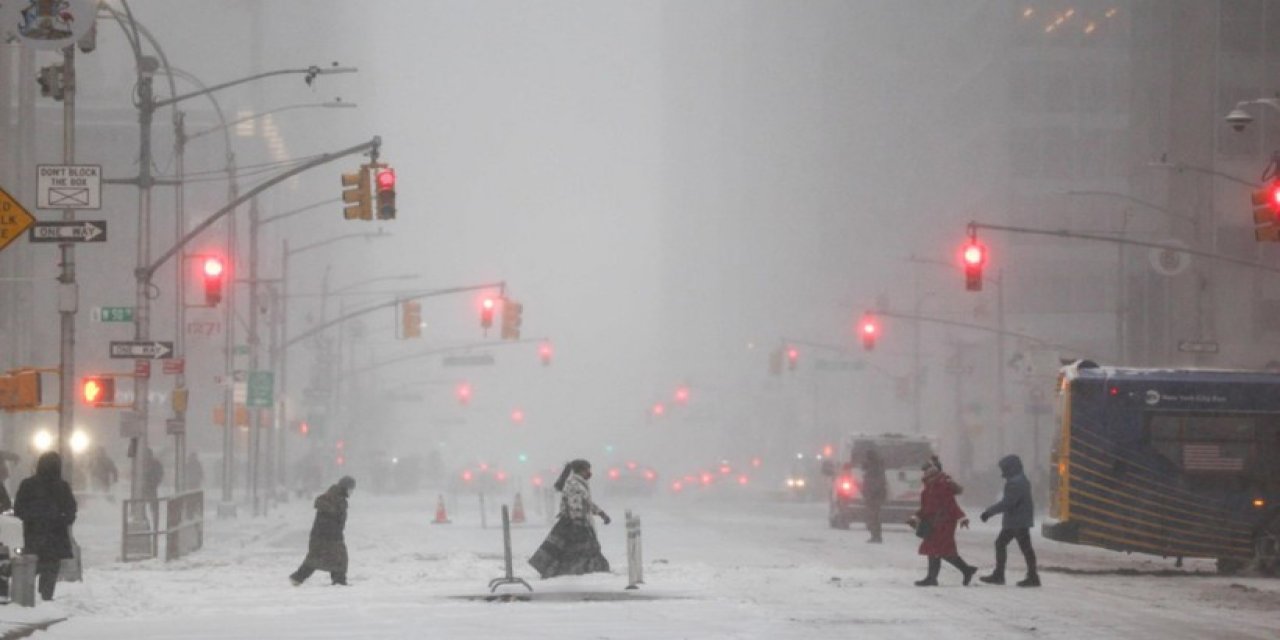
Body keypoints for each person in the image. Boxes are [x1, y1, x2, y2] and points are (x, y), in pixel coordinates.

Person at [528, 459, 611, 578]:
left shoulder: (579, 483)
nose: (589, 472)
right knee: (580, 550)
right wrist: (578, 522)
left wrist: (601, 513)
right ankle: (584, 571)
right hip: (574, 523)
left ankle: (577, 570)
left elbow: (587, 503)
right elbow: (575, 504)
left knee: (566, 550)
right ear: (581, 470)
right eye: (587, 470)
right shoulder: (574, 485)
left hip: (575, 522)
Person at [13, 452, 77, 601]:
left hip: (32, 535)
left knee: (29, 566)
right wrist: (63, 520)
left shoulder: (28, 484)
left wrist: (32, 518)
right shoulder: (62, 487)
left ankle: (26, 597)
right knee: (51, 568)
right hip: (56, 536)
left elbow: (19, 509)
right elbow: (71, 509)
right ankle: (46, 597)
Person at [908, 456, 977, 587]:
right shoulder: (928, 489)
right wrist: (915, 518)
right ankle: (964, 570)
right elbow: (926, 508)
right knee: (937, 550)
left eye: (925, 471)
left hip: (944, 523)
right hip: (933, 523)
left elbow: (952, 504)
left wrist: (962, 517)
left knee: (940, 550)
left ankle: (934, 578)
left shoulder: (941, 486)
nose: (923, 474)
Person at [979, 454, 1040, 587]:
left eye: (1004, 468)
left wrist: (988, 513)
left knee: (1007, 545)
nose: (1002, 471)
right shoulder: (1021, 480)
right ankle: (1031, 576)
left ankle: (1002, 575)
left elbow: (1007, 503)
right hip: (1019, 520)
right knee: (1023, 548)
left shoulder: (1015, 483)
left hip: (1016, 521)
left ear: (1010, 468)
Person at [290, 476, 355, 586]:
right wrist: (332, 531)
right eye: (350, 489)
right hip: (325, 536)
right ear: (345, 488)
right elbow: (327, 517)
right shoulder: (334, 498)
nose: (352, 492)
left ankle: (338, 580)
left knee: (329, 558)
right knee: (322, 558)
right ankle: (298, 578)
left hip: (329, 535)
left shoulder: (337, 498)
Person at [861, 445, 887, 544]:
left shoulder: (874, 469)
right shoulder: (877, 467)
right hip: (874, 496)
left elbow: (874, 483)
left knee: (873, 517)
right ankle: (875, 535)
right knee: (873, 517)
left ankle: (876, 536)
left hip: (873, 496)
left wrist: (869, 493)